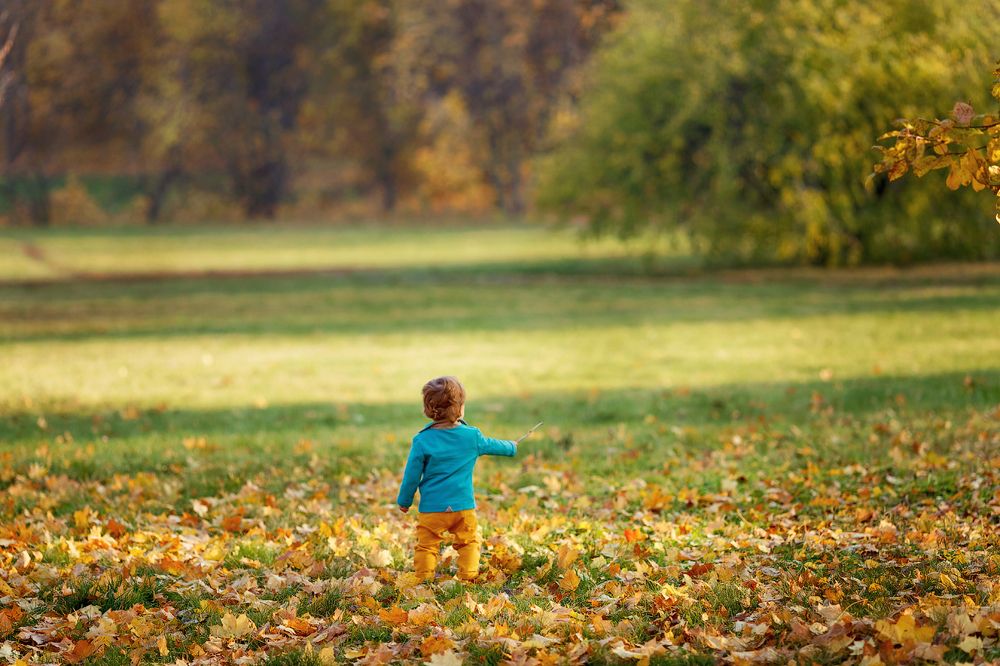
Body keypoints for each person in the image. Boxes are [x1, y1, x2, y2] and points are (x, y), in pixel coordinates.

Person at [396, 376, 519, 582]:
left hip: (432, 509)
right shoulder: (472, 436)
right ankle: (468, 576)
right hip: (463, 507)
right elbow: (494, 445)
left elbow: (411, 476)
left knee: (427, 545)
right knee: (469, 541)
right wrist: (512, 446)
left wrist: (404, 501)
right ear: (460, 408)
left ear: (429, 409)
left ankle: (423, 578)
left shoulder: (422, 440)